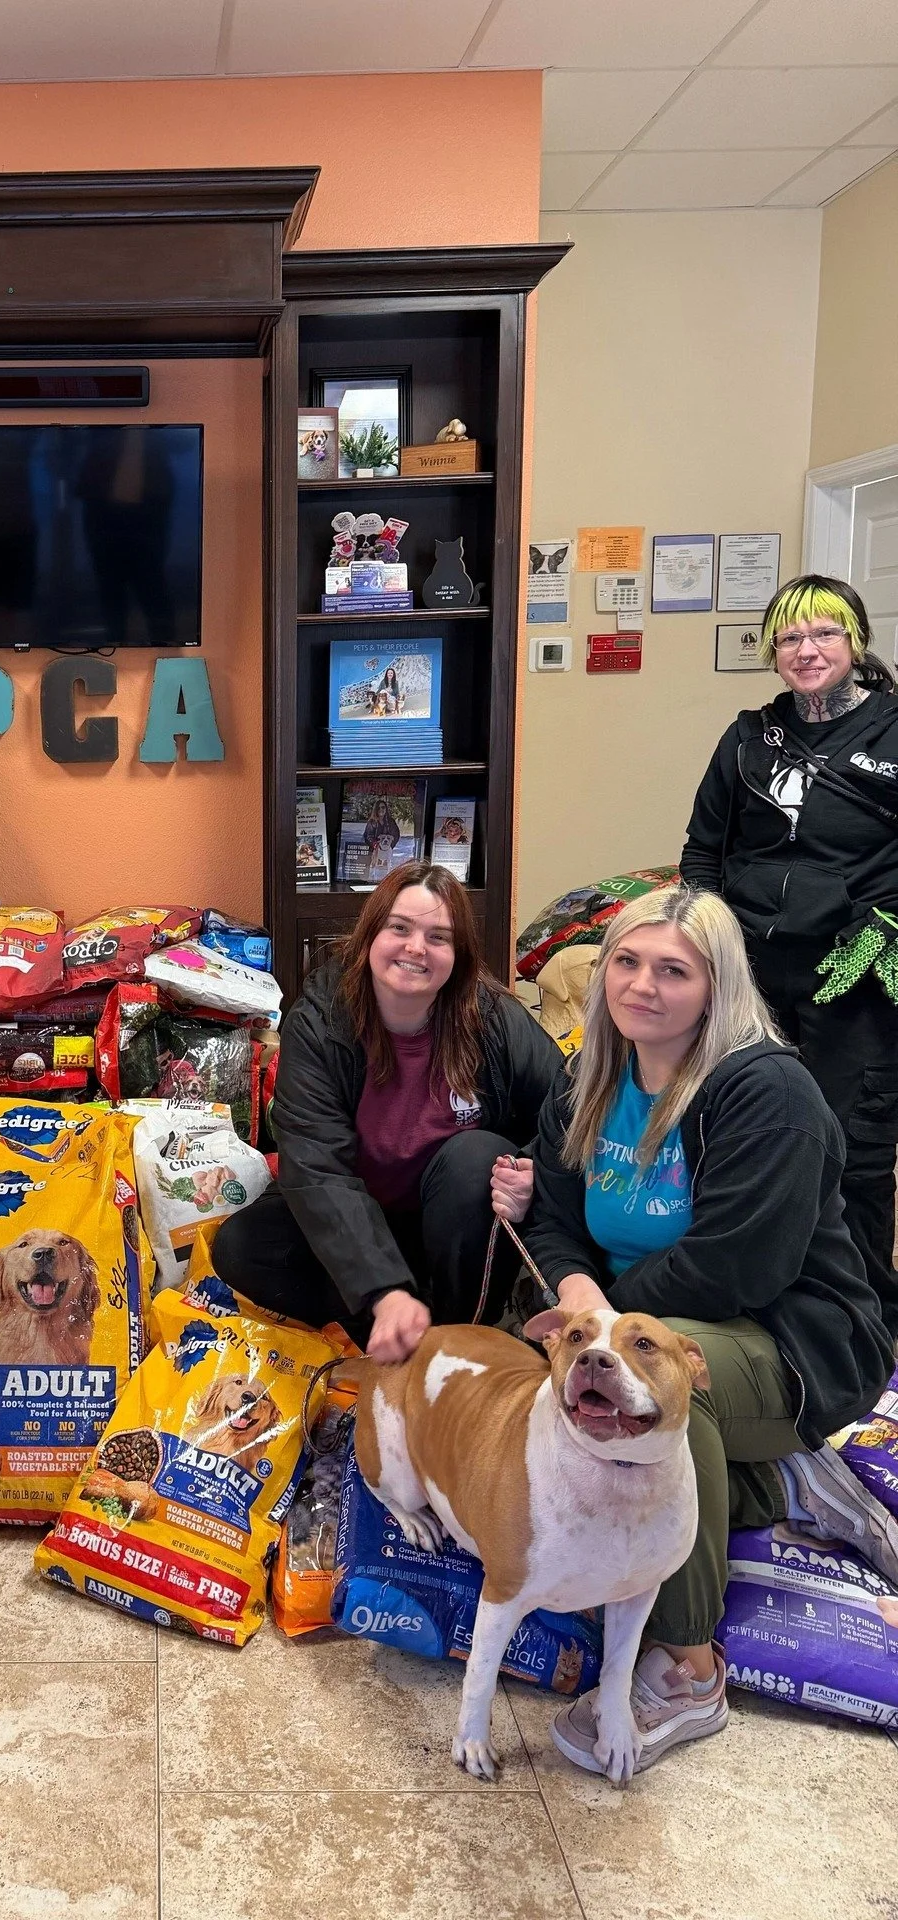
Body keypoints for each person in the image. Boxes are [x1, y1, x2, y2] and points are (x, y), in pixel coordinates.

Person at [518, 885, 896, 1775]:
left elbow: (739, 1265)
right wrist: (581, 1306)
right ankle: (775, 1487)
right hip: (650, 1315)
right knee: (560, 1378)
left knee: (653, 1399)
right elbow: (551, 1216)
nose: (643, 985)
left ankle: (689, 1669)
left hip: (794, 1336)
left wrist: (607, 1331)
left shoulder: (769, 1092)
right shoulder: (590, 1076)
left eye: (673, 970)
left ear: (718, 985)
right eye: (627, 961)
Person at [212, 862, 563, 1359]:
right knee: (243, 1246)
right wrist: (383, 1289)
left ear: (458, 955)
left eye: (438, 937)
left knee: (476, 1157)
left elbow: (568, 1114)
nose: (416, 948)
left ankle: (456, 1337)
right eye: (400, 928)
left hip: (455, 1229)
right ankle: (399, 1325)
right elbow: (316, 1168)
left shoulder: (493, 1017)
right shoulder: (318, 1022)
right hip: (362, 1217)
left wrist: (533, 1172)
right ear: (371, 934)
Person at [680, 574, 898, 1339]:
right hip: (751, 976)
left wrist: (885, 929)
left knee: (853, 1153)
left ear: (855, 641)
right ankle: (744, 1299)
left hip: (859, 975)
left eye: (825, 634)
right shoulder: (748, 738)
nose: (807, 650)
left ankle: (861, 1323)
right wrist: (704, 939)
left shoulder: (893, 731)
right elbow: (704, 851)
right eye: (791, 637)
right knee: (738, 1136)